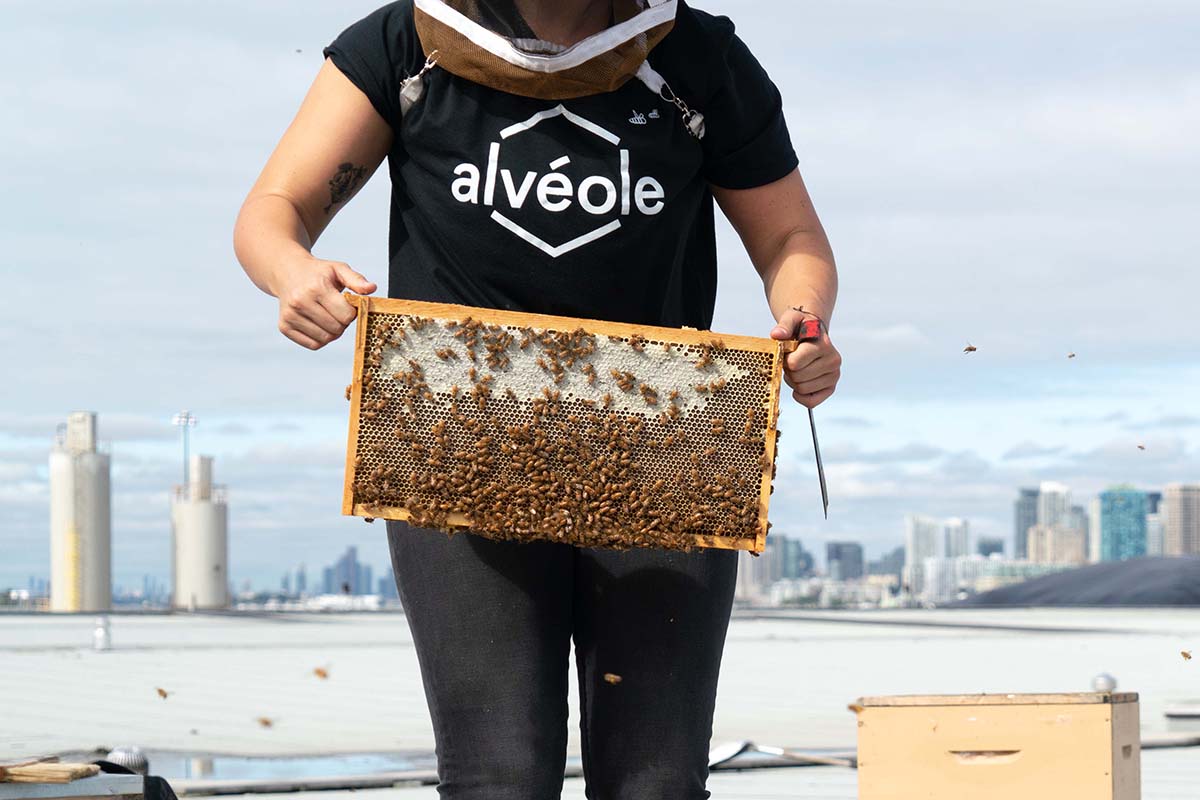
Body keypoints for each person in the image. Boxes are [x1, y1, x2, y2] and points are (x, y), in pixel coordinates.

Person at [233, 1, 840, 797]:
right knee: (498, 776)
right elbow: (273, 211)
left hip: (662, 442)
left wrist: (806, 321)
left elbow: (791, 240)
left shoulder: (698, 58)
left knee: (655, 782)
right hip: (455, 440)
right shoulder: (404, 45)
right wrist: (292, 272)